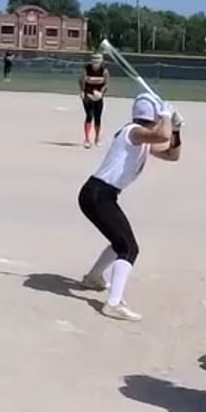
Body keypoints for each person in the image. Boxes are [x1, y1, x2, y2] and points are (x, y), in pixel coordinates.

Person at [75, 93, 182, 321]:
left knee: (121, 241)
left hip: (102, 195)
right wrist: (166, 115)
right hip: (98, 194)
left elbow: (172, 155)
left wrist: (176, 129)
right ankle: (113, 304)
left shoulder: (142, 140)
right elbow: (161, 134)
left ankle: (93, 278)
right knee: (129, 248)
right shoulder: (133, 131)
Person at [80, 52, 110, 147]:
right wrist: (82, 91)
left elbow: (106, 85)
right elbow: (81, 81)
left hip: (98, 96)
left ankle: (97, 138)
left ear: (101, 61)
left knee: (98, 117)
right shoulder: (86, 69)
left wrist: (101, 93)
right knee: (89, 115)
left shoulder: (104, 71)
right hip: (88, 95)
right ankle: (87, 139)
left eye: (98, 60)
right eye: (94, 60)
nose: (96, 62)